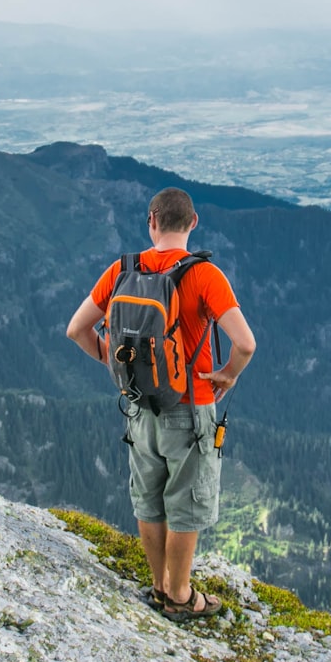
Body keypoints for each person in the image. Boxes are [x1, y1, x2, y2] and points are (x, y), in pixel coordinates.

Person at [65, 188, 257, 620]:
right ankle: (181, 595)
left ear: (151, 221)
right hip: (190, 408)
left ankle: (158, 586)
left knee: (149, 499)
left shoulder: (122, 270)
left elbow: (77, 330)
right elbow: (246, 343)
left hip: (138, 405)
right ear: (193, 223)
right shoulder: (205, 275)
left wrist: (116, 365)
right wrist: (229, 373)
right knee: (185, 503)